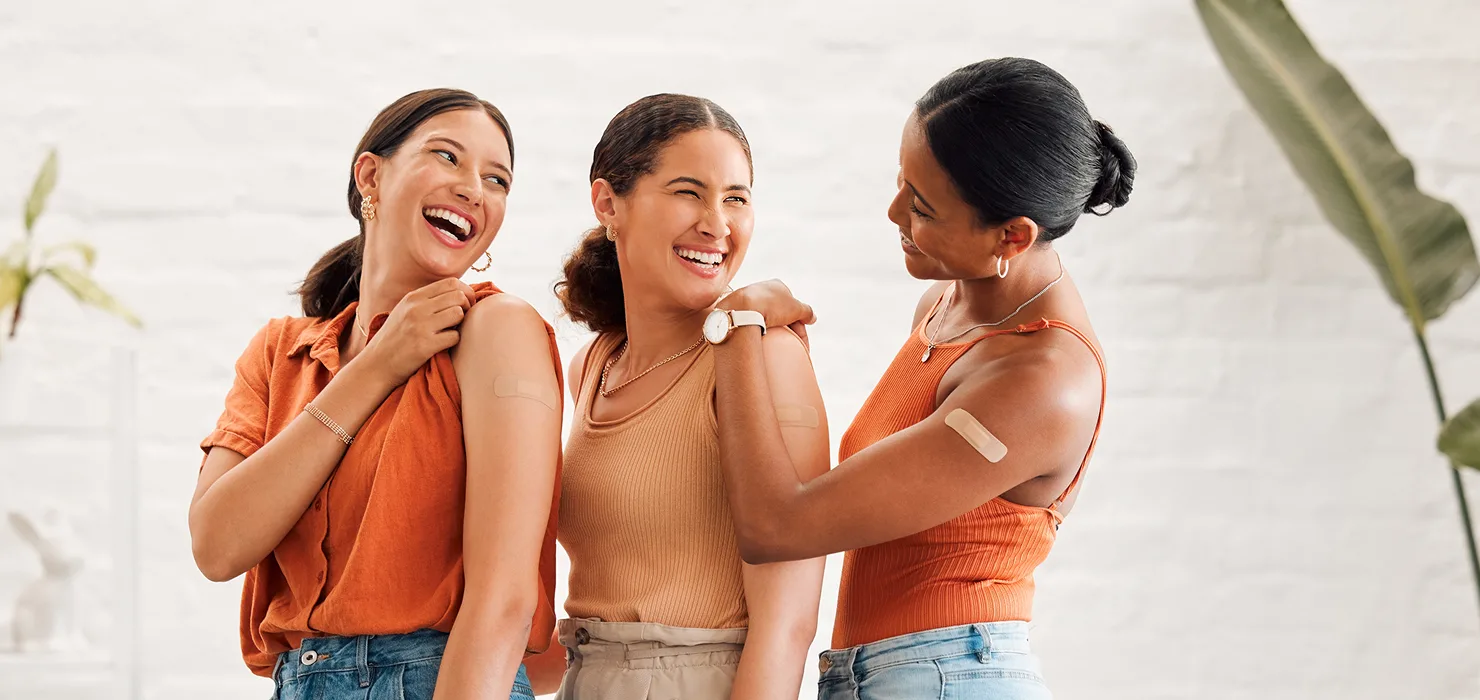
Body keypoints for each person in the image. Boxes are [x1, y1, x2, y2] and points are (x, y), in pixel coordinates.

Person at [711, 57, 1134, 699]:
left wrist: (738, 329)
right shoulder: (947, 307)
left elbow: (776, 529)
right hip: (886, 674)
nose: (892, 212)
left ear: (1012, 236)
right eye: (901, 183)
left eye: (923, 207)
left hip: (948, 678)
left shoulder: (1043, 379)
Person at [189, 88, 563, 700]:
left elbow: (505, 600)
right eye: (448, 157)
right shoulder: (280, 352)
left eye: (497, 180)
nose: (474, 188)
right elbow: (217, 545)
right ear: (372, 175)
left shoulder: (498, 330)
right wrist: (376, 368)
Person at [525, 93, 830, 699]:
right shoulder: (594, 363)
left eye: (736, 198)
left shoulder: (763, 356)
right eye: (689, 192)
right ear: (609, 203)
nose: (717, 224)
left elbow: (787, 628)